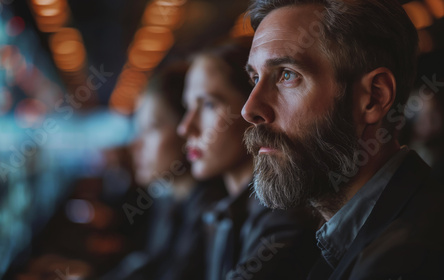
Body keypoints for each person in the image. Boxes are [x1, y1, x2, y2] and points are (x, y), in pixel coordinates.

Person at [242, 0, 444, 278]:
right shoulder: (334, 241)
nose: (249, 109)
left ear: (373, 98)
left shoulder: (413, 256)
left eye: (287, 75)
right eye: (255, 79)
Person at [177, 37, 321, 280]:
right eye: (188, 107)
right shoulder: (223, 211)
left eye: (209, 105)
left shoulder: (285, 220)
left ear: (252, 109)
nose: (185, 127)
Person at [101, 63, 226, 280]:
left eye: (151, 127)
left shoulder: (210, 211)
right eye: (137, 131)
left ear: (187, 127)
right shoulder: (171, 200)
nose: (136, 145)